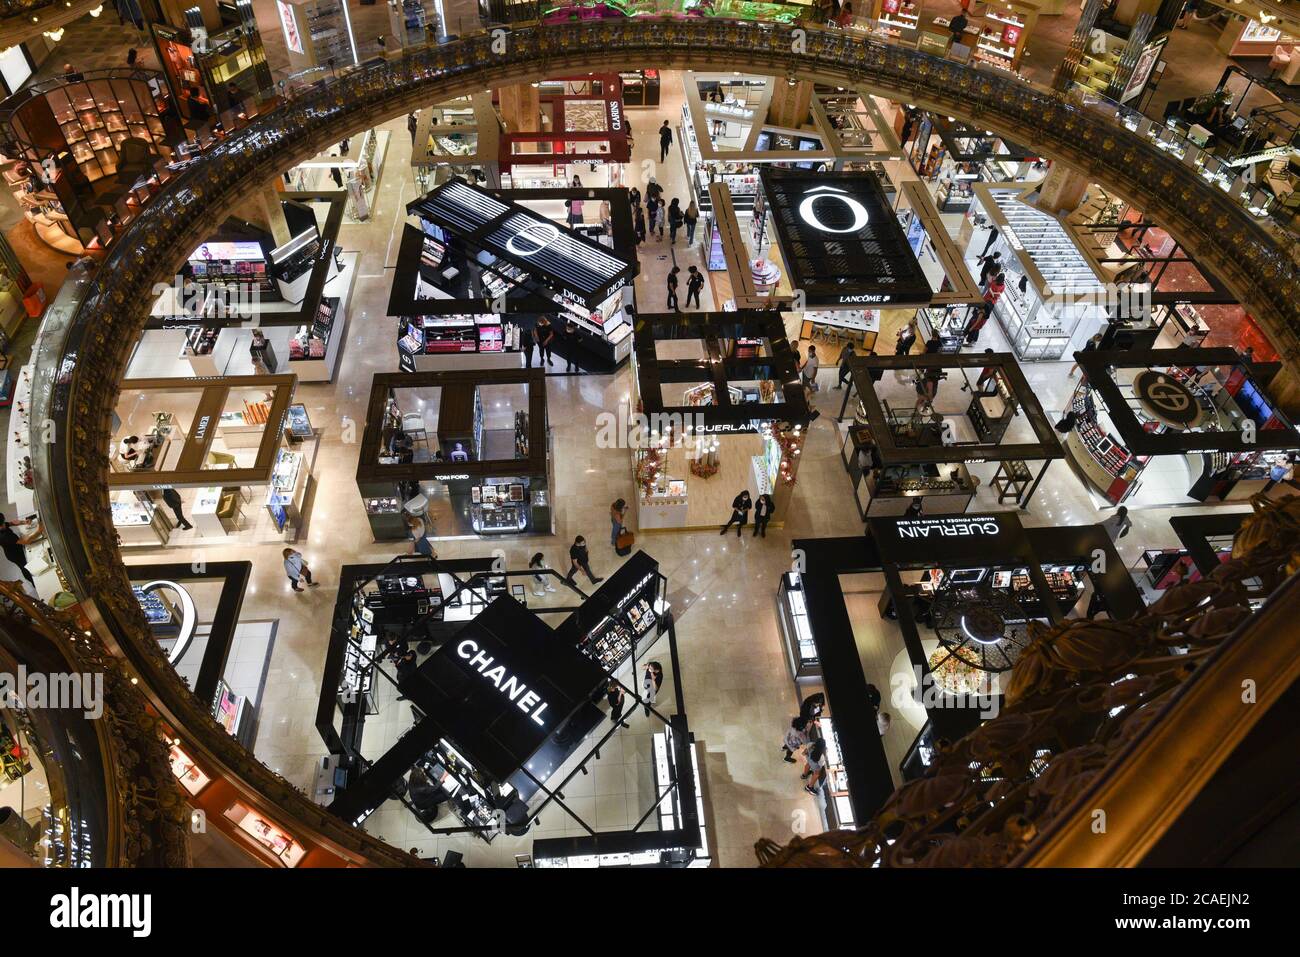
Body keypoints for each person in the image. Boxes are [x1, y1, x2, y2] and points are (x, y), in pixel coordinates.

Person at [0, 515, 39, 587]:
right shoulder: (4, 536)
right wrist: (39, 531)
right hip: (14, 555)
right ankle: (34, 583)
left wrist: (24, 522)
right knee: (25, 567)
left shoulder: (2, 526)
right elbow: (26, 541)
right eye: (2, 523)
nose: (4, 524)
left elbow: (11, 523)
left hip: (16, 547)